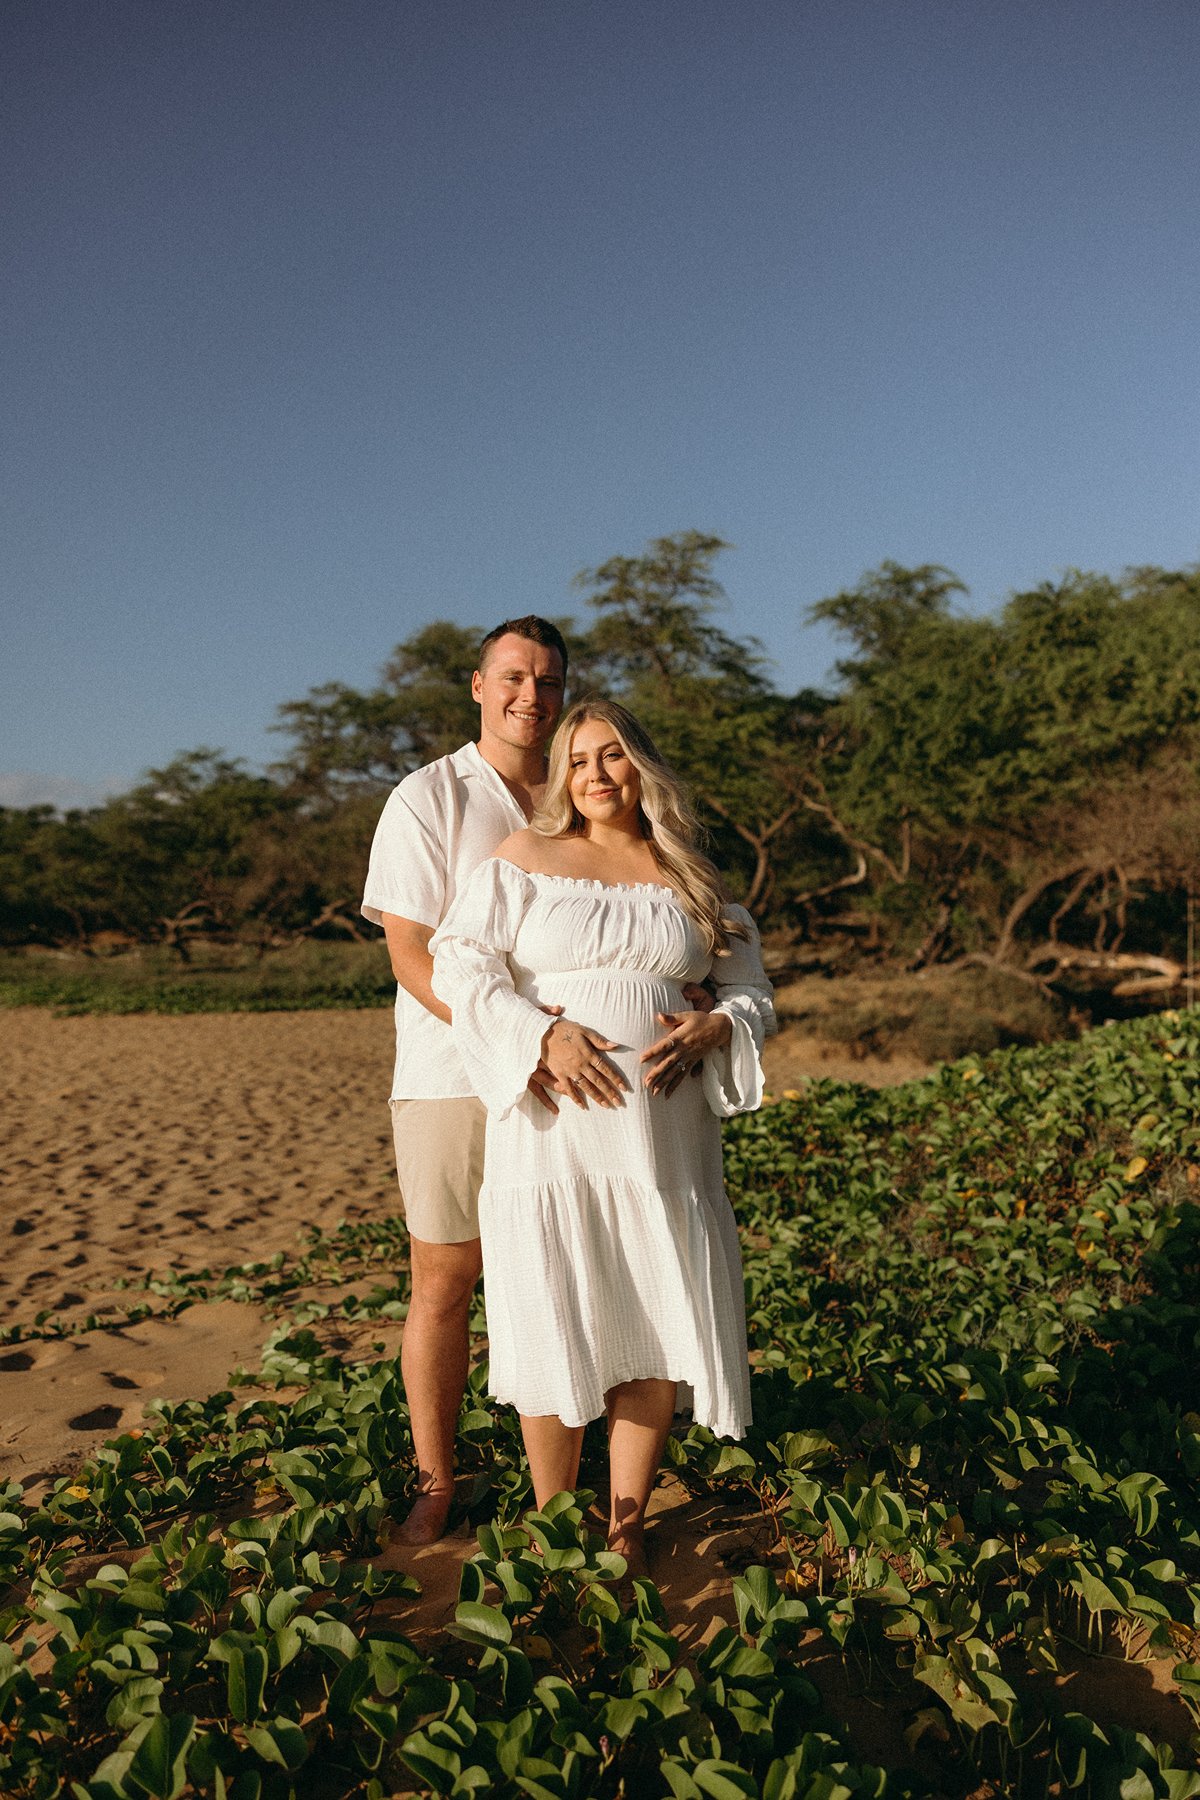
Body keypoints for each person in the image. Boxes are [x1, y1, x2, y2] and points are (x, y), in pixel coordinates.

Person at [361, 626, 735, 1545]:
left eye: (550, 682)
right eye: (514, 678)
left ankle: (609, 1510)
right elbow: (414, 954)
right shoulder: (431, 797)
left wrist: (693, 1002)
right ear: (478, 686)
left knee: (590, 1269)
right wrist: (533, 1040)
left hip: (605, 1101)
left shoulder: (586, 786)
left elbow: (708, 947)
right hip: (456, 1070)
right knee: (448, 1278)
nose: (533, 695)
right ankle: (438, 1480)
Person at [429, 698, 775, 1573]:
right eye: (578, 759)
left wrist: (719, 1027)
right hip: (553, 1133)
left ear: (642, 766)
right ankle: (554, 1520)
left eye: (612, 755)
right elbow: (461, 964)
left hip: (663, 1145)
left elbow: (754, 992)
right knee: (552, 1308)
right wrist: (540, 1034)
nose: (594, 774)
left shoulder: (692, 878)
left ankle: (625, 1524)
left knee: (651, 1314)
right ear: (561, 776)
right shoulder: (525, 859)